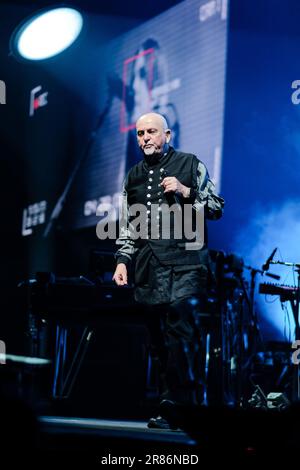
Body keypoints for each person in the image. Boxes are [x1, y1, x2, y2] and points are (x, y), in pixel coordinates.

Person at [113, 112, 224, 429]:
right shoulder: (132, 177)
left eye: (151, 132)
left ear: (167, 134)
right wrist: (123, 260)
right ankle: (175, 403)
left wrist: (187, 191)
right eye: (139, 133)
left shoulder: (190, 164)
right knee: (159, 339)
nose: (145, 138)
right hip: (150, 266)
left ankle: (177, 405)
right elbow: (128, 225)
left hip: (186, 263)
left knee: (180, 329)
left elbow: (216, 207)